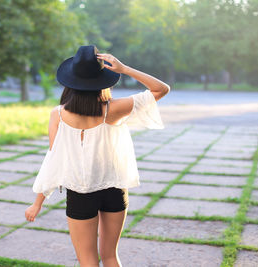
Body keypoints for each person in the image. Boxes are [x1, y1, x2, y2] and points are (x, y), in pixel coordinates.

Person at [25, 45, 169, 267]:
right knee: (110, 256)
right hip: (114, 189)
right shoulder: (114, 109)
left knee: (88, 260)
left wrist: (38, 202)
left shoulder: (59, 115)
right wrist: (124, 69)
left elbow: (54, 159)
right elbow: (161, 89)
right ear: (102, 80)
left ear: (70, 81)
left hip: (80, 193)